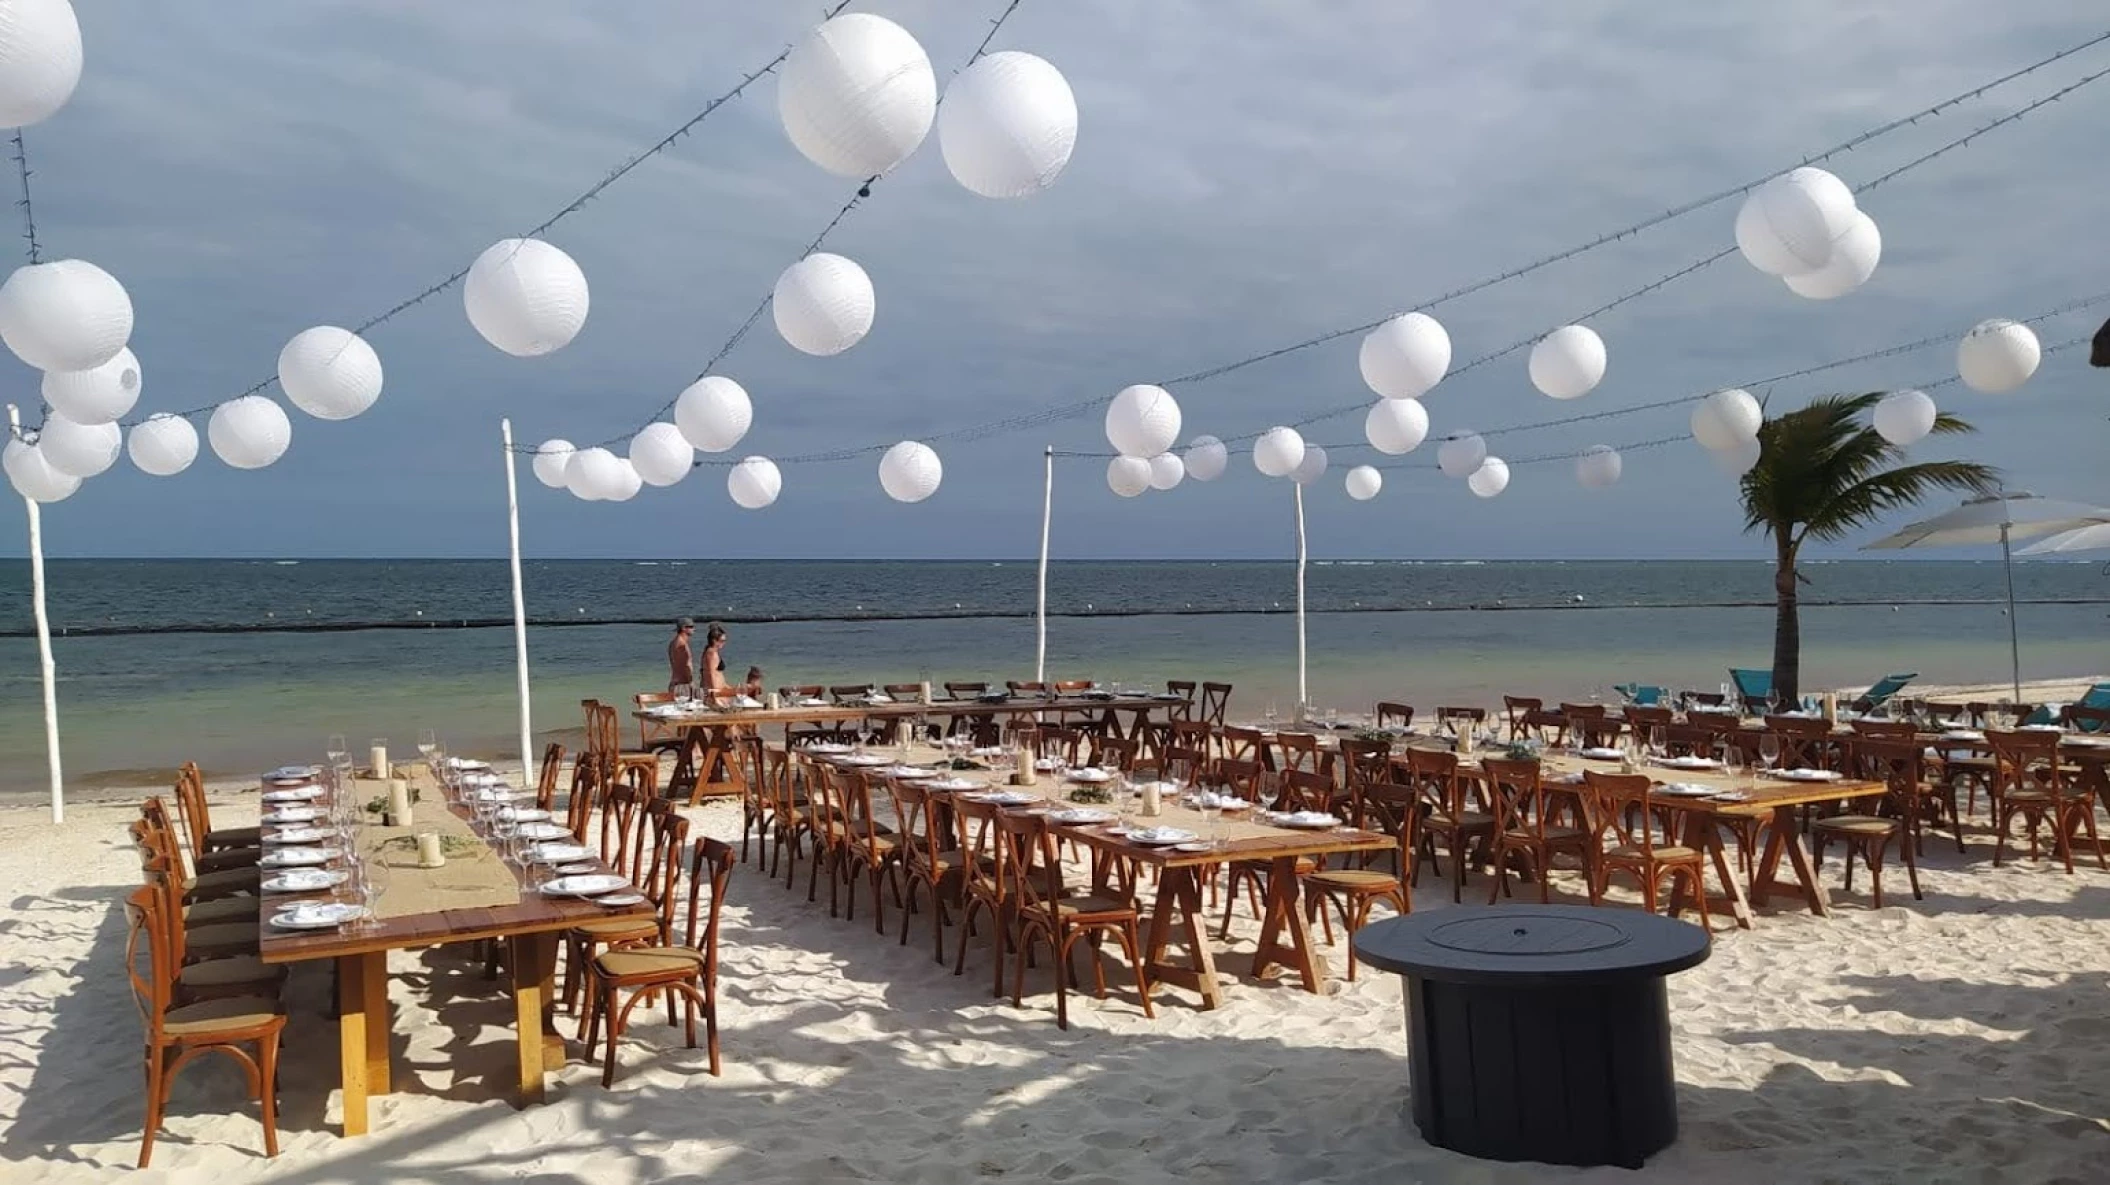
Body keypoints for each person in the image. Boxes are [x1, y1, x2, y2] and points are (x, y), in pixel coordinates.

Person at [667, 618, 696, 698]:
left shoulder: (672, 643)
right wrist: (691, 682)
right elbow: (687, 664)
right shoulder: (683, 645)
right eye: (691, 627)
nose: (694, 629)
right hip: (683, 685)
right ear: (683, 628)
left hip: (674, 683)